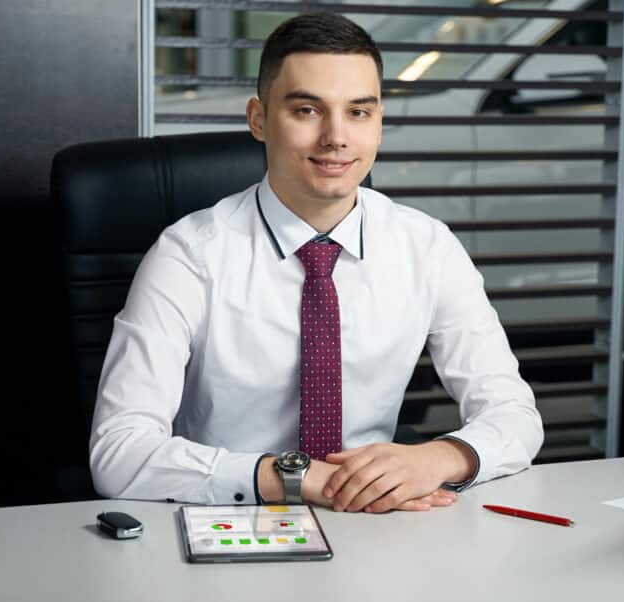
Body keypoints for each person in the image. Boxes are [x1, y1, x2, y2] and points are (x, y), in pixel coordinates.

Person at [90, 13, 543, 513]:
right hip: (229, 518)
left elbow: (514, 414)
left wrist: (440, 458)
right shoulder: (189, 255)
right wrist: (300, 478)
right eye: (307, 110)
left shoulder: (427, 247)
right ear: (259, 120)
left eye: (358, 112)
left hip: (374, 526)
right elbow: (119, 452)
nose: (336, 137)